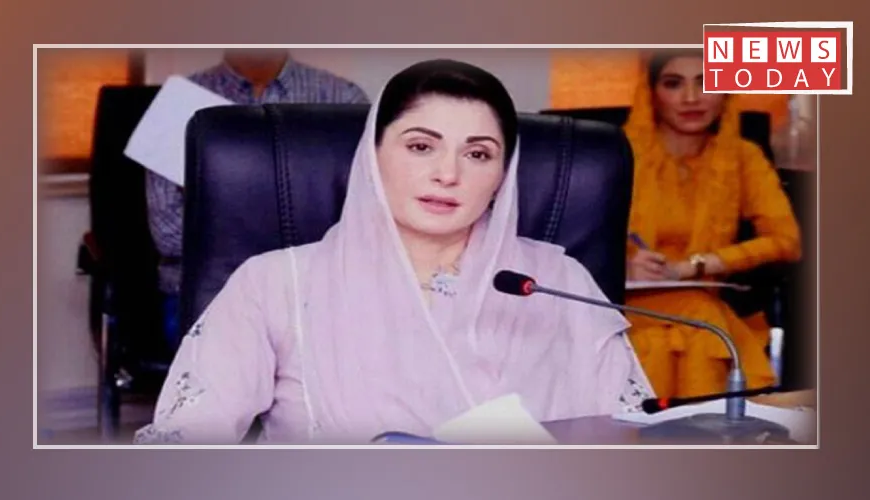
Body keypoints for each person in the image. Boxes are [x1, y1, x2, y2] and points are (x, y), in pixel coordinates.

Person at [134, 59, 651, 445]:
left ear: (502, 176)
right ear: (373, 155)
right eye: (421, 146)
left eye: (478, 154)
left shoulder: (556, 281)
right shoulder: (275, 284)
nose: (448, 173)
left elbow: (633, 439)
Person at [146, 49, 370, 350]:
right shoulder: (176, 106)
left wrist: (225, 215)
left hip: (317, 295)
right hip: (209, 298)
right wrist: (294, 218)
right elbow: (167, 233)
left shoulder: (344, 100)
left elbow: (362, 219)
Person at [622, 50, 802, 399]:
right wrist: (622, 263)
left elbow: (787, 240)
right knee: (702, 322)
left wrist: (697, 265)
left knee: (698, 319)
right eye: (674, 83)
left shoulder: (743, 157)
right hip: (624, 302)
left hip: (704, 301)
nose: (691, 98)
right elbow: (566, 237)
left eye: (706, 82)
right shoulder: (617, 152)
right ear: (651, 93)